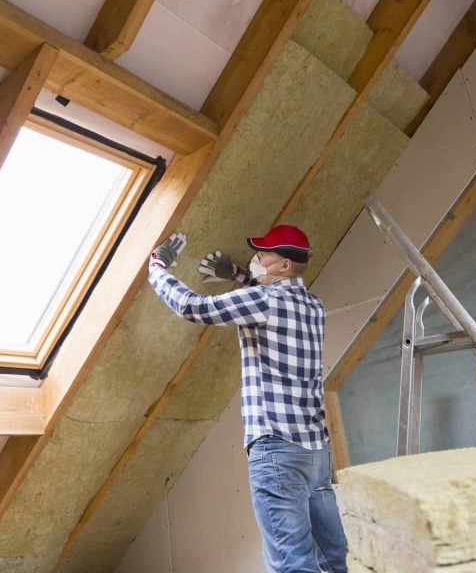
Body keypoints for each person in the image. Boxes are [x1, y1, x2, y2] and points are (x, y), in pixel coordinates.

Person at [147, 224, 348, 573]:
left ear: (284, 265)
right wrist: (237, 274)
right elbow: (270, 299)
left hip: (277, 450)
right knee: (333, 557)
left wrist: (157, 268)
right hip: (315, 453)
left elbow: (192, 307)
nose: (257, 257)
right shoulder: (314, 306)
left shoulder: (262, 301)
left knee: (292, 564)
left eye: (264, 254)